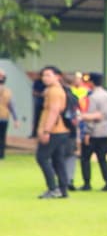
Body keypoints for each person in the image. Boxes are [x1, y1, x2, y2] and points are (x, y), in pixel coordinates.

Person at [35, 66, 72, 199]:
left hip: (54, 131)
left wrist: (46, 131)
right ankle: (63, 189)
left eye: (48, 75)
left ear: (57, 76)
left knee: (42, 157)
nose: (45, 78)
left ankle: (53, 188)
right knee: (58, 160)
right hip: (61, 130)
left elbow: (54, 111)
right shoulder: (53, 90)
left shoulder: (54, 92)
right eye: (43, 75)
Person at [77, 73, 107, 191]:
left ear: (91, 82)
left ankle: (87, 183)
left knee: (85, 158)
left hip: (94, 132)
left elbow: (91, 116)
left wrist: (87, 132)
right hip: (105, 131)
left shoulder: (93, 97)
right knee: (102, 158)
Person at [0, 70, 16, 160]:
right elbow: (12, 106)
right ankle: (1, 155)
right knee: (2, 137)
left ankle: (1, 154)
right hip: (4, 117)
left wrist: (15, 118)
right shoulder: (8, 91)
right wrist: (15, 119)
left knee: (2, 137)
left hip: (3, 117)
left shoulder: (8, 91)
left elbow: (11, 105)